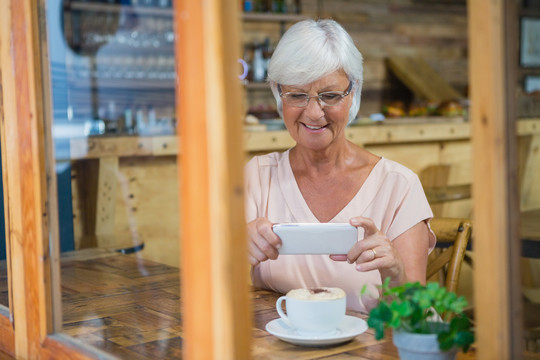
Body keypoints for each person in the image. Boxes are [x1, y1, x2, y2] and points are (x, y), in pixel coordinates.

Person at [244, 19, 436, 313]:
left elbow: (415, 316)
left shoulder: (399, 187)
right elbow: (213, 289)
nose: (313, 112)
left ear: (353, 92)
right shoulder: (257, 177)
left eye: (330, 95)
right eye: (296, 95)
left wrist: (395, 272)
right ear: (278, 95)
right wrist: (235, 252)